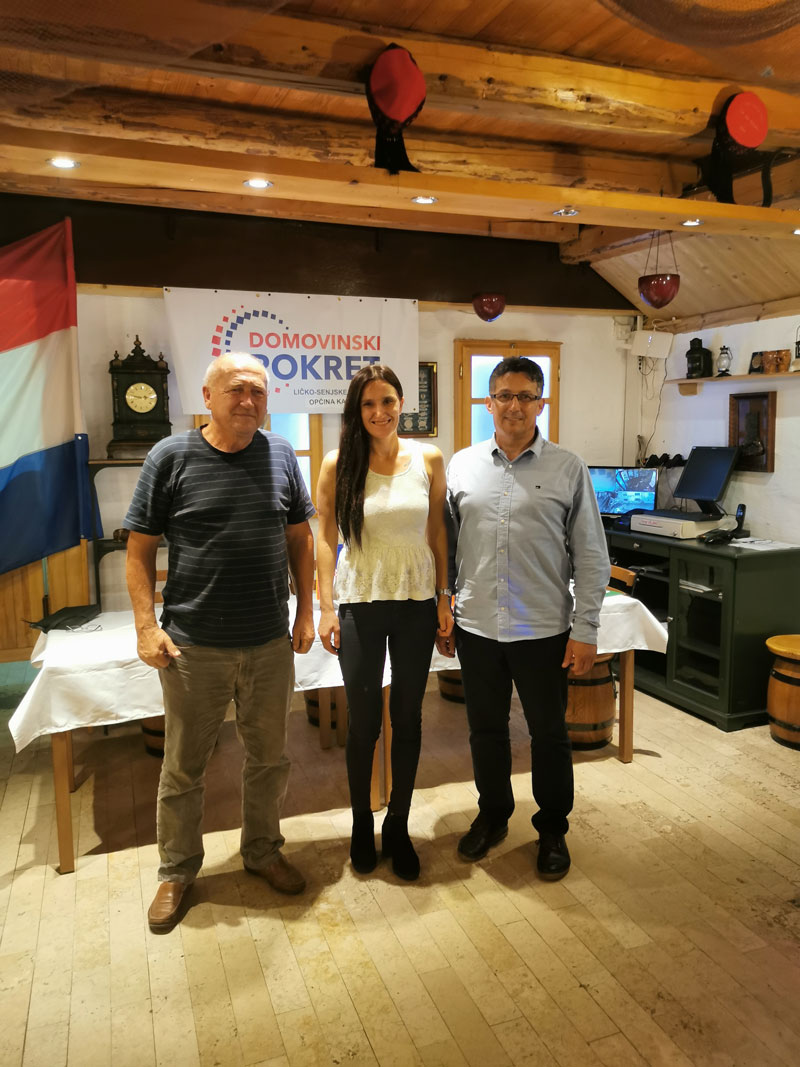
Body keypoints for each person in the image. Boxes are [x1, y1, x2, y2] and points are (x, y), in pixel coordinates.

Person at [125, 353, 316, 931]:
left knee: (269, 759)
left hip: (268, 643)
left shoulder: (281, 454)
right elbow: (139, 549)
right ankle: (177, 870)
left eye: (258, 391)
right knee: (184, 766)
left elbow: (300, 539)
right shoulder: (170, 456)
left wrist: (306, 610)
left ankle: (262, 851)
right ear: (207, 396)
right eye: (236, 390)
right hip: (194, 647)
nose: (248, 401)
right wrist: (146, 626)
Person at [440, 356, 609, 880]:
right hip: (477, 627)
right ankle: (493, 815)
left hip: (543, 629)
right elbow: (446, 547)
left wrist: (585, 630)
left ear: (541, 403)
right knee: (485, 731)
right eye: (505, 395)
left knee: (549, 735)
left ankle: (552, 828)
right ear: (488, 403)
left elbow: (591, 555)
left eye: (526, 396)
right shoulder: (462, 466)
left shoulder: (568, 468)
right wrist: (444, 604)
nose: (514, 406)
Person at [316, 364, 453, 881]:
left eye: (388, 401)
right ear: (357, 410)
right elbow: (325, 538)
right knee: (365, 720)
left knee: (409, 717)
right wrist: (326, 607)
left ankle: (398, 825)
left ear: (402, 404)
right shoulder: (339, 463)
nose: (380, 412)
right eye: (369, 403)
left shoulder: (428, 458)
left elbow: (437, 531)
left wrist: (444, 597)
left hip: (416, 601)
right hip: (360, 602)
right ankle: (361, 824)